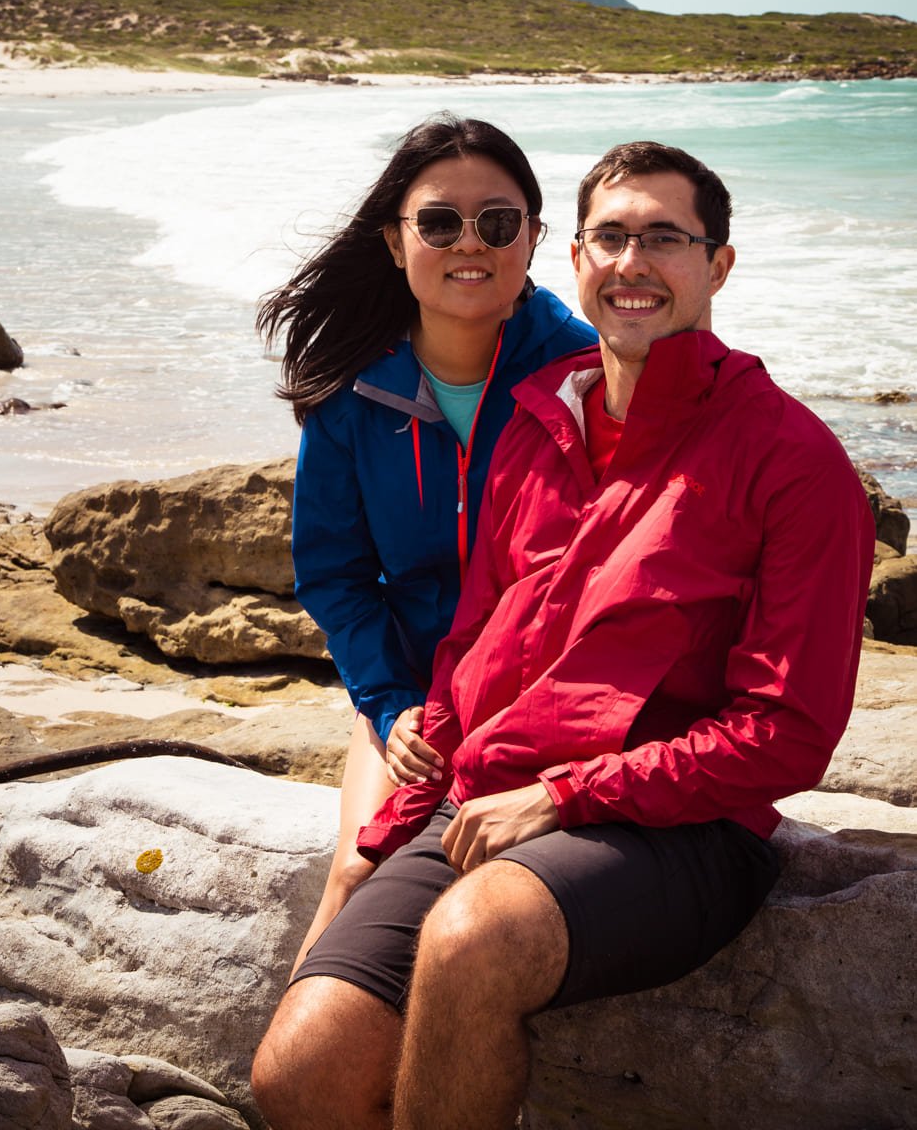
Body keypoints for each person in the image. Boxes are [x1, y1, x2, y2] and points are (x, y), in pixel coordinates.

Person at [252, 140, 875, 1130]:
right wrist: (413, 776)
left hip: (676, 828)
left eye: (664, 239)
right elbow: (470, 642)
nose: (632, 263)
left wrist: (562, 795)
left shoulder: (790, 462)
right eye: (611, 237)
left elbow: (785, 734)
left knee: (468, 938)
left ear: (716, 265)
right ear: (575, 260)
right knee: (299, 1079)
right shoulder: (537, 421)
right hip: (488, 795)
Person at [256, 114, 596, 963]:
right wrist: (389, 705)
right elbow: (334, 575)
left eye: (498, 221)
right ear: (395, 239)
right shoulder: (352, 390)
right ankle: (291, 1091)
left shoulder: (586, 372)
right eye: (439, 222)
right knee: (355, 874)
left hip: (543, 703)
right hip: (412, 698)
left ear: (535, 237)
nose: (468, 244)